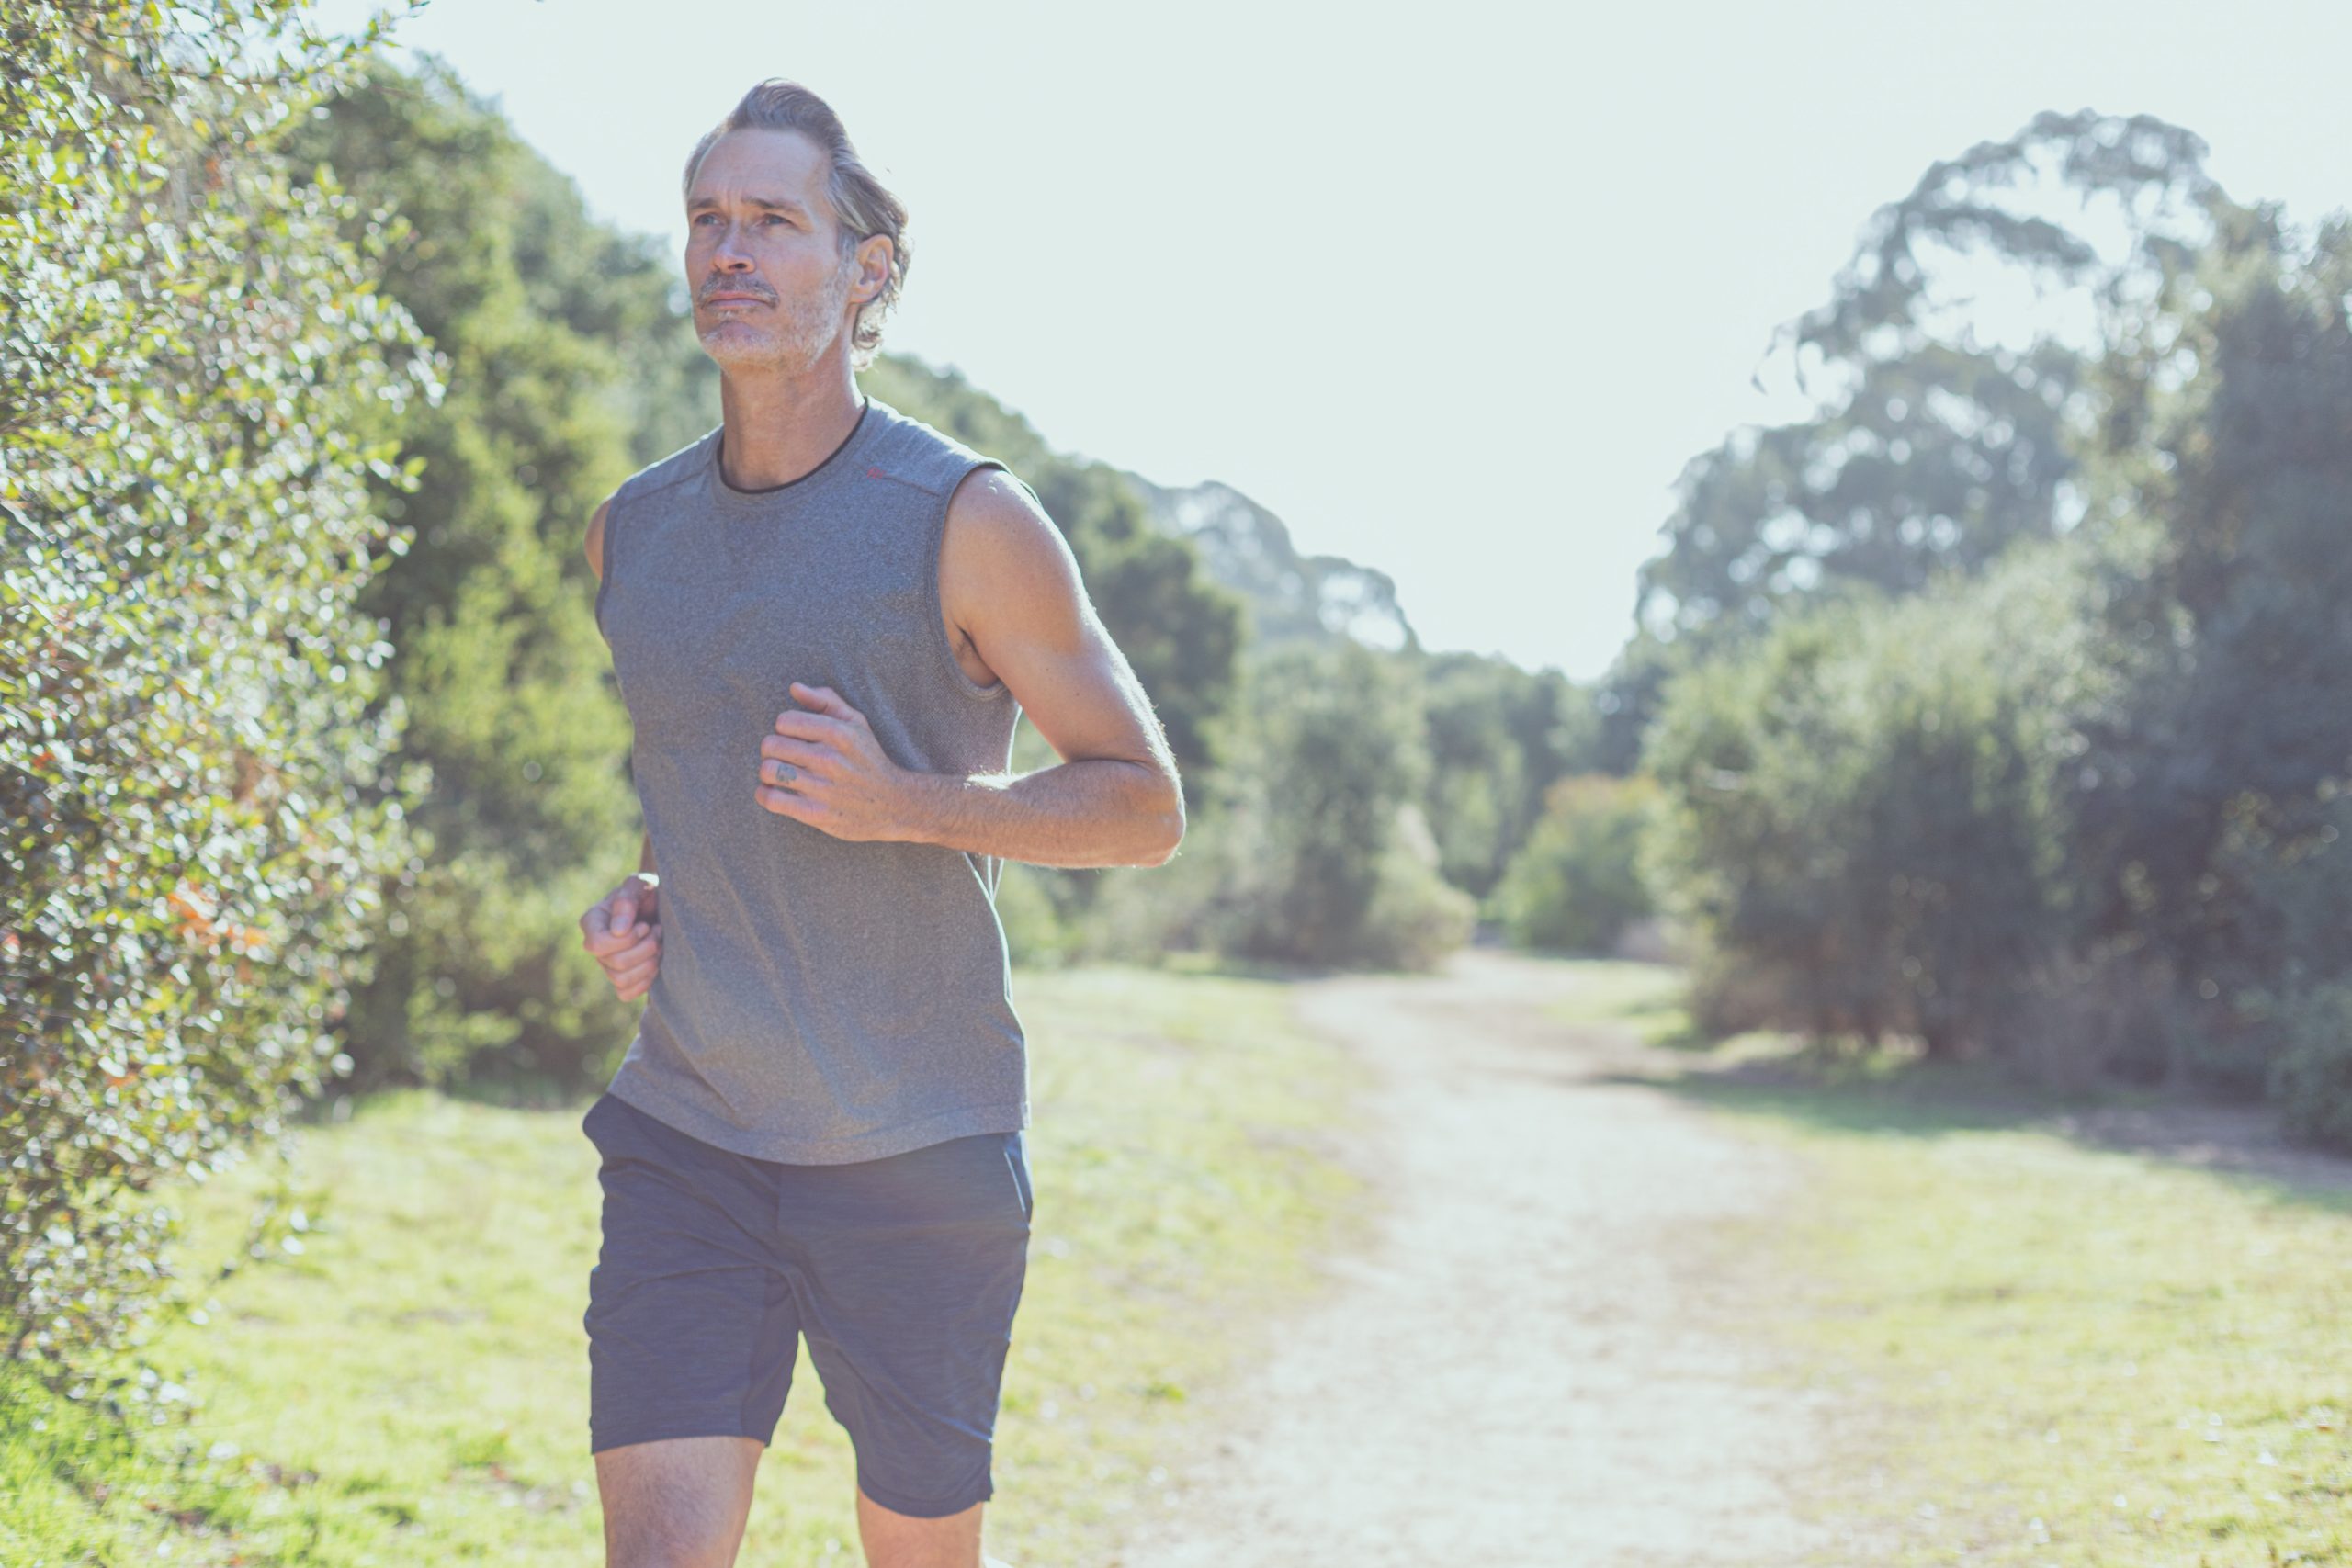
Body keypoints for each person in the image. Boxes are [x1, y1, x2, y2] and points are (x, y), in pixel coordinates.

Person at [571, 78, 1184, 1568]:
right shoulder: (630, 533)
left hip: (919, 1153)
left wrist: (909, 804)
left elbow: (1145, 807)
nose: (731, 250)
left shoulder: (964, 519)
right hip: (691, 1135)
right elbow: (713, 796)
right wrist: (655, 893)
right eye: (709, 219)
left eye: (774, 221)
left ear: (866, 269)